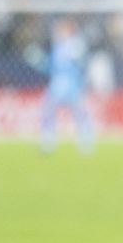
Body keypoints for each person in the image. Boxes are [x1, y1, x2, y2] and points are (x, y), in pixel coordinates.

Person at [39, 18, 94, 154]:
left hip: (71, 85)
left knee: (80, 114)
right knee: (47, 112)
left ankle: (85, 143)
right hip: (57, 84)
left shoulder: (76, 45)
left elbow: (80, 63)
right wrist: (39, 60)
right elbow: (51, 67)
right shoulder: (57, 46)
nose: (58, 32)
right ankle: (48, 143)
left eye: (61, 30)